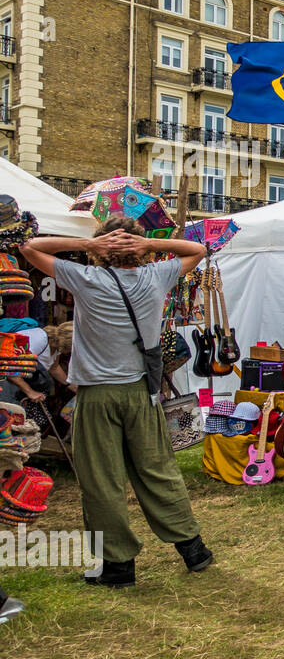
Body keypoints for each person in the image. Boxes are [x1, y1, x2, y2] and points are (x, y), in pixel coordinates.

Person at [20, 218, 210, 588]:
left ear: (102, 250)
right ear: (139, 251)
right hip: (141, 392)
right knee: (156, 469)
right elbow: (198, 250)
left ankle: (118, 567)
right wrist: (149, 247)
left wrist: (92, 246)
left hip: (97, 394)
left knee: (101, 480)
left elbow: (30, 247)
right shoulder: (156, 276)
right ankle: (194, 549)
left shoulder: (86, 279)